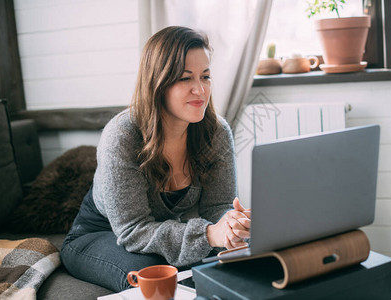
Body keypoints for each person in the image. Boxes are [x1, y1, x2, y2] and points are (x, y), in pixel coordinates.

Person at [60, 26, 251, 292]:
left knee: (232, 261)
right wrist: (209, 234)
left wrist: (232, 226)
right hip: (100, 234)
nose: (200, 90)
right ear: (158, 83)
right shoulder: (122, 135)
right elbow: (133, 230)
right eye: (186, 78)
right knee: (157, 274)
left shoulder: (216, 132)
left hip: (157, 232)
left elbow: (217, 207)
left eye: (205, 76)